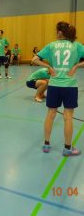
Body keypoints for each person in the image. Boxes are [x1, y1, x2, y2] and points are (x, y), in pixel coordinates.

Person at [32, 21, 84, 156]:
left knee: (51, 114)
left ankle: (46, 144)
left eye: (56, 31)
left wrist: (49, 67)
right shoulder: (76, 45)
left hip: (54, 85)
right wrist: (76, 66)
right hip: (69, 86)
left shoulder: (52, 45)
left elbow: (34, 59)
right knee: (68, 117)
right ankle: (67, 148)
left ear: (60, 32)